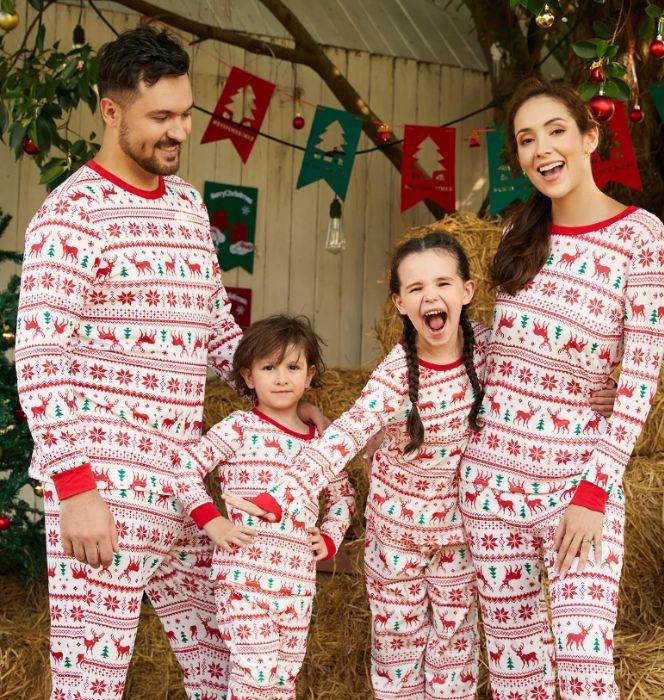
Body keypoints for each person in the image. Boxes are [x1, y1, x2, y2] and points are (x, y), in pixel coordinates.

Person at [15, 26, 324, 700]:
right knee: (91, 683)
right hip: (107, 491)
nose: (179, 131)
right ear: (111, 110)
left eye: (186, 114)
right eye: (161, 117)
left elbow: (216, 328)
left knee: (226, 667)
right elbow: (42, 358)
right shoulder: (71, 216)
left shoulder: (186, 204)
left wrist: (278, 392)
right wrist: (75, 489)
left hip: (187, 486)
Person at [459, 79, 664, 700]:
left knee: (582, 666)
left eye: (555, 131)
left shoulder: (640, 236)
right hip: (492, 483)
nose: (542, 150)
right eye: (527, 139)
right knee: (517, 677)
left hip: (579, 486)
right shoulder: (515, 238)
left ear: (589, 137)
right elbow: (499, 353)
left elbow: (639, 382)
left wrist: (594, 489)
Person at [232, 232, 489, 699]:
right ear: (399, 303)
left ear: (466, 292)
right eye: (415, 289)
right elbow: (346, 435)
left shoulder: (489, 352)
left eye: (443, 283)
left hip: (458, 536)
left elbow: (544, 378)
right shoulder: (395, 375)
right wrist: (282, 494)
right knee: (397, 653)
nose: (430, 296)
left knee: (455, 652)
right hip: (395, 536)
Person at [174, 315, 354, 699]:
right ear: (249, 375)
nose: (281, 378)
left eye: (293, 367)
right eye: (269, 367)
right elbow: (184, 470)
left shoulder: (321, 445)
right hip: (243, 583)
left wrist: (330, 536)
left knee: (281, 684)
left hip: (297, 587)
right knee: (255, 676)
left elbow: (344, 496)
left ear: (309, 376)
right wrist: (213, 522)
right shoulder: (240, 427)